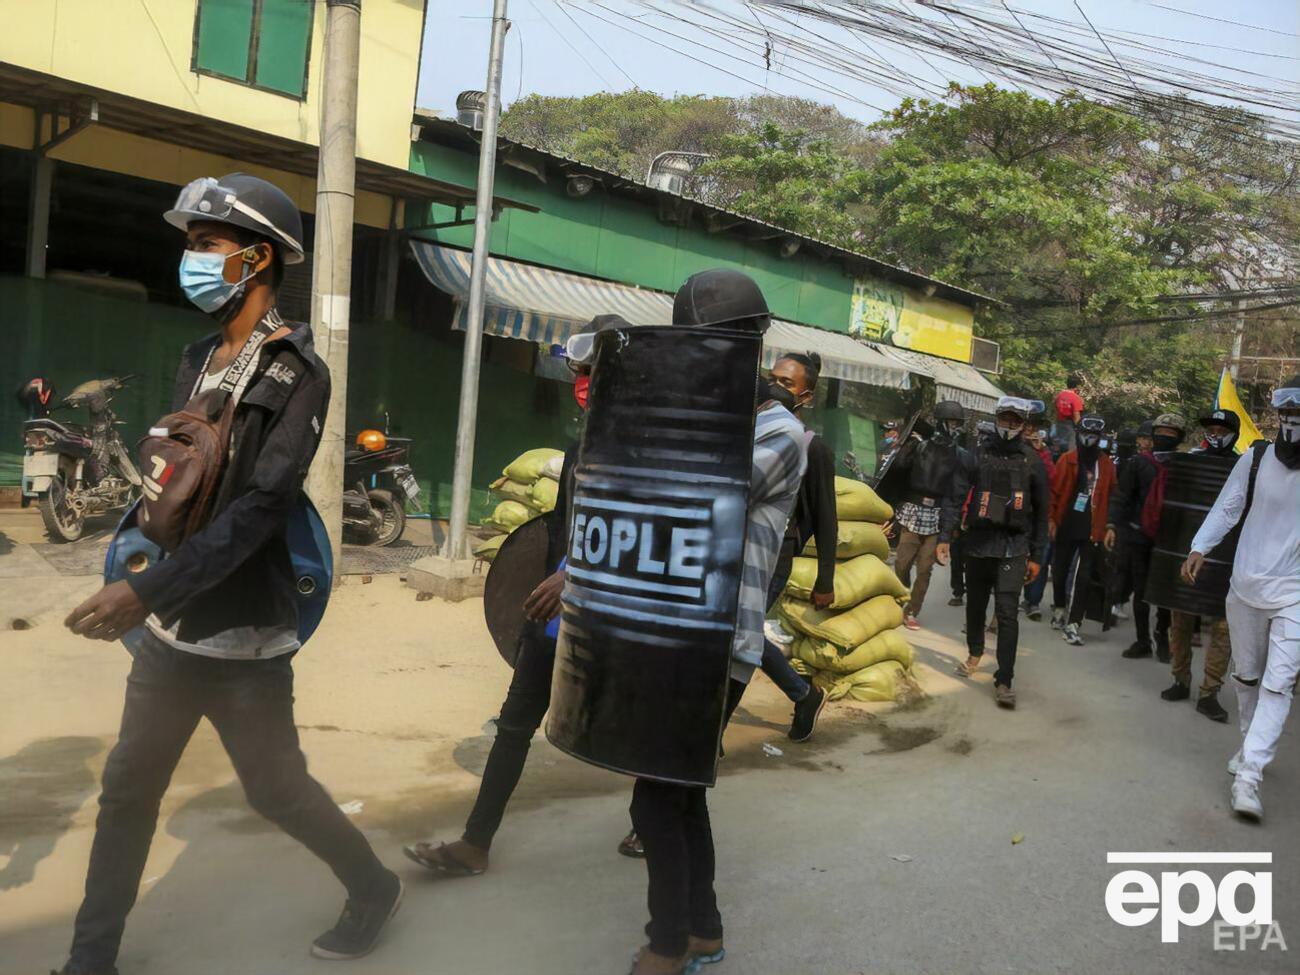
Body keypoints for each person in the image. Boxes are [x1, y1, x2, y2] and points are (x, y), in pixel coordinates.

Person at [56, 174, 401, 974]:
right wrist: (145, 569)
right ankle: (89, 959)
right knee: (126, 793)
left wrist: (143, 590)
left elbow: (258, 510)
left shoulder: (297, 372)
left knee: (275, 791)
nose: (192, 258)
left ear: (258, 258)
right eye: (191, 243)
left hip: (243, 633)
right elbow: (176, 486)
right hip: (172, 629)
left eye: (206, 244)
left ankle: (374, 885)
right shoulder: (196, 356)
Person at [627, 270, 808, 974]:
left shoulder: (779, 430)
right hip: (676, 633)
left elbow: (698, 491)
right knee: (680, 791)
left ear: (745, 345)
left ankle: (666, 944)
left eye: (713, 343)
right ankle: (703, 931)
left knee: (654, 801)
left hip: (718, 641)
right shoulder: (720, 414)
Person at [400, 319, 623, 878]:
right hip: (557, 616)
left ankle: (657, 823)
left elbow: (636, 537)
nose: (583, 382)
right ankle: (475, 843)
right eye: (579, 371)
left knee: (634, 723)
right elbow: (571, 526)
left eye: (594, 372)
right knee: (515, 722)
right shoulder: (579, 448)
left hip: (617, 618)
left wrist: (574, 575)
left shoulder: (645, 454)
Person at [1182, 377, 1300, 822]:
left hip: (1294, 593)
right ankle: (1249, 745)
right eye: (1287, 413)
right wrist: (1199, 546)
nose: (1293, 422)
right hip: (1246, 587)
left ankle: (1249, 775)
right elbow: (1228, 508)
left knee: (1278, 683)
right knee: (1247, 677)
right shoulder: (1255, 459)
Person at [939, 397, 1049, 709]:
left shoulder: (1033, 462)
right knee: (975, 606)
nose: (1009, 425)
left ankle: (1004, 679)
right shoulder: (977, 455)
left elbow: (1042, 513)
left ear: (1025, 425)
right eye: (1005, 418)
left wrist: (1037, 557)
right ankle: (975, 652)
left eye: (1016, 421)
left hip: (1014, 549)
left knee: (1006, 613)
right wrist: (945, 536)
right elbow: (955, 495)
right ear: (997, 418)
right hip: (977, 545)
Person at [761, 351, 833, 741]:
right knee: (735, 634)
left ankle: (803, 692)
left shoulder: (810, 446)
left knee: (740, 636)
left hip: (776, 554)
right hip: (743, 547)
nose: (775, 388)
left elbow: (826, 517)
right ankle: (803, 693)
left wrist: (825, 579)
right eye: (771, 378)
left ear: (806, 396)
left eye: (787, 384)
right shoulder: (757, 432)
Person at [1161, 409, 1241, 723]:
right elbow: (1172, 508)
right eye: (1212, 428)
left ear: (1233, 433)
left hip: (1227, 561)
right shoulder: (1188, 462)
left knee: (1223, 628)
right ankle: (1180, 679)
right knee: (1179, 619)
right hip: (1186, 553)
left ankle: (1209, 692)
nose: (1216, 434)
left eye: (1223, 429)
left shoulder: (1244, 467)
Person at [1106, 413, 1186, 661]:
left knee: (1163, 594)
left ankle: (1162, 638)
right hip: (1137, 535)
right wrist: (1112, 525)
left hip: (1168, 541)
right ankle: (1142, 640)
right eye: (1161, 433)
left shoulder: (1184, 467)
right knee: (1140, 592)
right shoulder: (1139, 463)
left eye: (1171, 434)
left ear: (1180, 438)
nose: (1164, 437)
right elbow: (1123, 496)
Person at [891, 401, 967, 629]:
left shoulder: (958, 454)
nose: (955, 427)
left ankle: (911, 610)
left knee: (925, 568)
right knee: (902, 563)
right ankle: (898, 598)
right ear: (942, 422)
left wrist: (949, 528)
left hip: (937, 514)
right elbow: (897, 470)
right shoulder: (920, 446)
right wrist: (907, 445)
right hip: (912, 510)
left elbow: (956, 493)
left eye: (958, 423)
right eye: (952, 421)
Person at [1047, 415, 1116, 645]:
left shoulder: (1106, 464)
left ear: (1100, 438)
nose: (1089, 439)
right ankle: (1058, 607)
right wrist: (1051, 520)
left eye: (1094, 435)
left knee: (1082, 576)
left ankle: (1074, 623)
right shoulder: (1067, 460)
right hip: (1067, 524)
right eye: (1086, 434)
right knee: (1059, 571)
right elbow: (1054, 492)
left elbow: (1113, 496)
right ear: (1077, 434)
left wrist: (1109, 526)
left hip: (1092, 528)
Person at [1021, 425, 1057, 620]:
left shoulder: (1045, 455)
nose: (1030, 436)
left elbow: (1051, 477)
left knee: (1039, 558)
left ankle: (1032, 601)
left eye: (1034, 434)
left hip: (1039, 516)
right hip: (1016, 514)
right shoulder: (1014, 450)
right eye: (1027, 432)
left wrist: (1040, 449)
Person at [1051, 375, 1085, 453]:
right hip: (1070, 427)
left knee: (1058, 451)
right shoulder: (1076, 398)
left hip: (1058, 425)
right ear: (1077, 386)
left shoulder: (1059, 395)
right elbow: (1077, 419)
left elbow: (1055, 409)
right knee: (1071, 452)